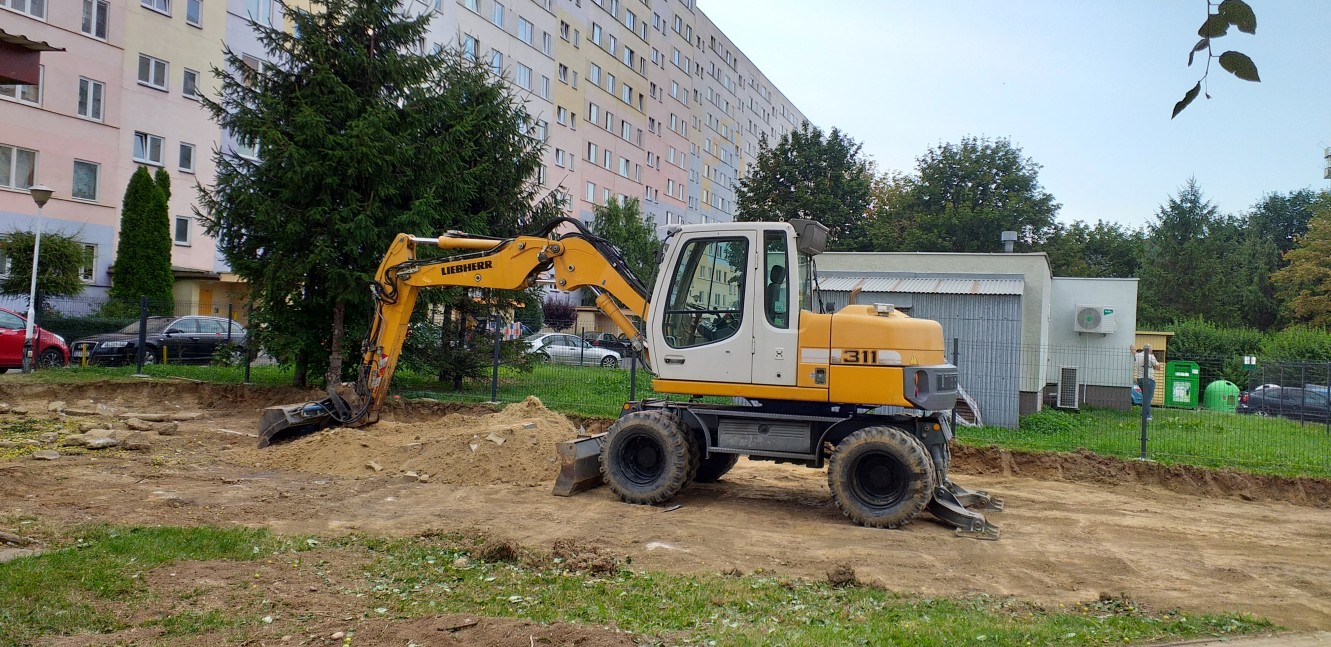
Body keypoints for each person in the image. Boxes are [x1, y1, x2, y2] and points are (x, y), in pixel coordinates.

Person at [1131, 344, 1161, 421]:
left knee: (1145, 397)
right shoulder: (1151, 357)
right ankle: (1146, 416)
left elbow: (1133, 351)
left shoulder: (1137, 356)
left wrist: (1133, 347)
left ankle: (1144, 413)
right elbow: (1158, 368)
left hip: (1140, 379)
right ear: (1149, 350)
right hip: (1149, 380)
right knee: (1148, 398)